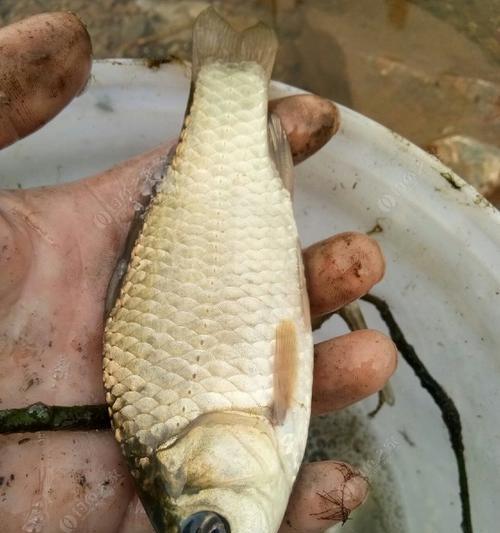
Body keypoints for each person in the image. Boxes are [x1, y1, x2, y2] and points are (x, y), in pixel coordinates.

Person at [0, 12, 397, 533]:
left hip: (199, 244)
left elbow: (285, 351)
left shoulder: (262, 422)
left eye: (210, 526)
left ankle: (225, 85)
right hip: (224, 243)